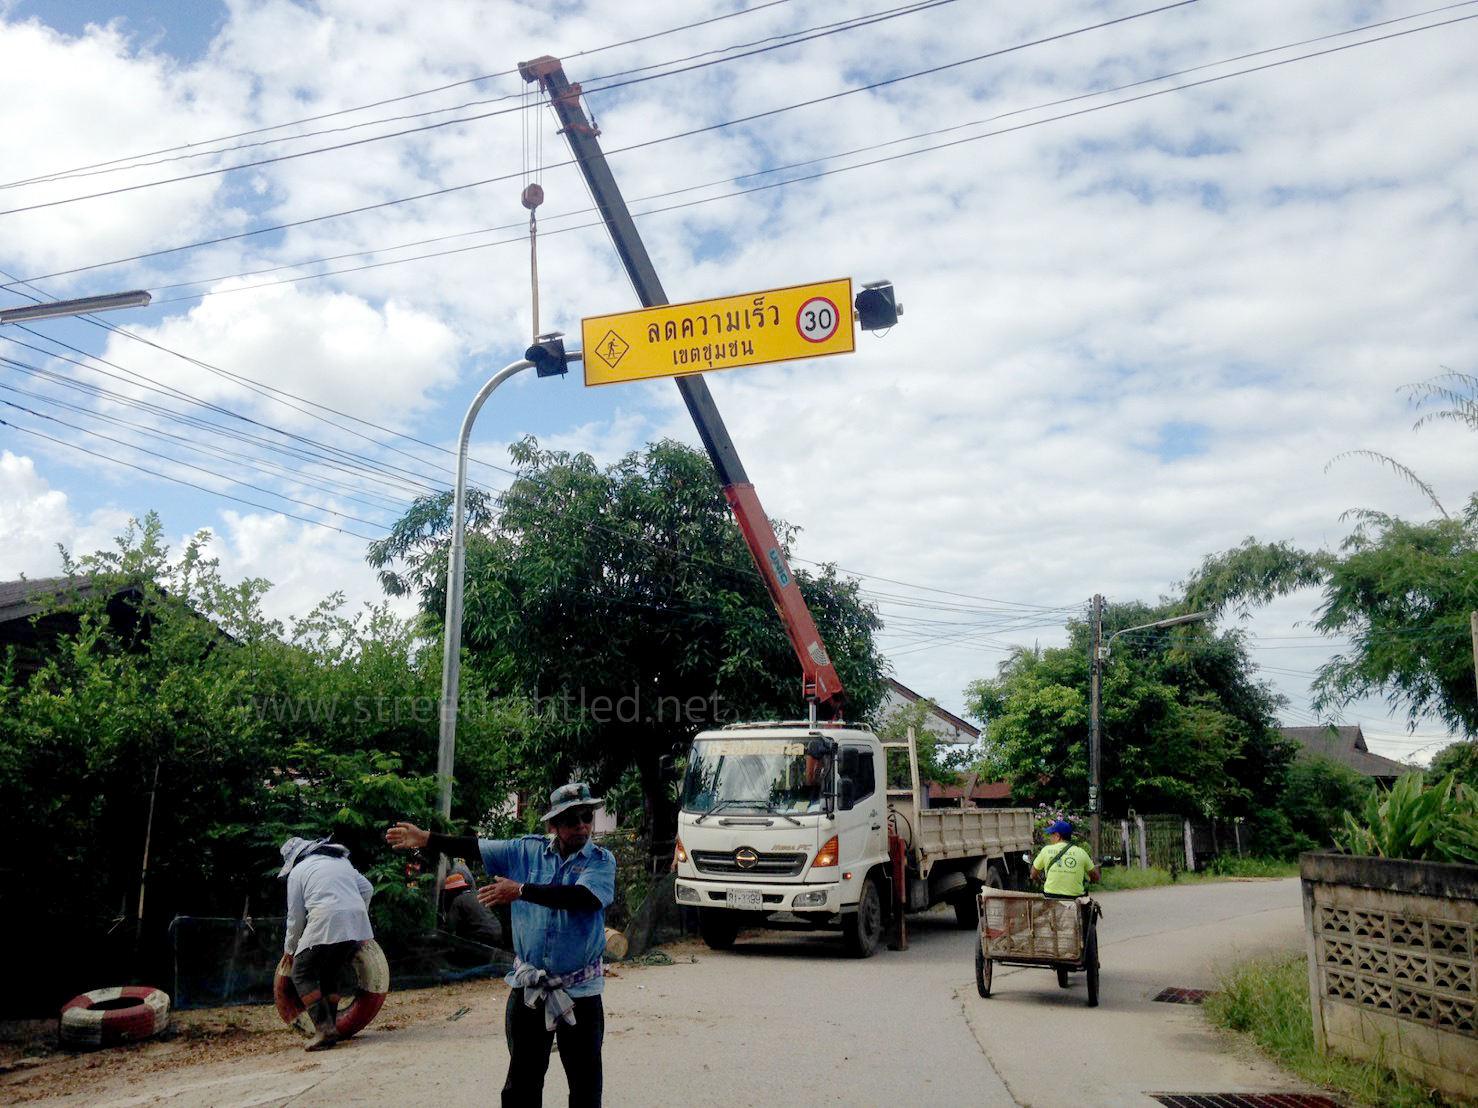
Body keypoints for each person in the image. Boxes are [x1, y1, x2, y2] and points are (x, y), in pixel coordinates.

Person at [386, 782, 616, 1108]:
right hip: (529, 990)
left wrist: (521, 890)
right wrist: (427, 839)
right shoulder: (525, 851)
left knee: (585, 1088)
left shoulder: (600, 860)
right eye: (571, 819)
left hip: (581, 992)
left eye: (587, 817)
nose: (582, 825)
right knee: (521, 1084)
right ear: (553, 825)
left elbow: (584, 897)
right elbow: (477, 847)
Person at [279, 835, 375, 1052]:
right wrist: (358, 915)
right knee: (330, 971)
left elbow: (295, 917)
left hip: (326, 919)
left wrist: (290, 949)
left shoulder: (298, 872)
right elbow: (367, 889)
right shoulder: (342, 861)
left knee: (301, 973)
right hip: (356, 923)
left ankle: (324, 1029)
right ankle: (331, 1027)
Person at [1030, 818, 1101, 898]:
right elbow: (1095, 876)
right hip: (1075, 898)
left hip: (1051, 897)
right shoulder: (1081, 852)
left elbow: (1033, 874)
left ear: (1057, 836)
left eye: (1051, 835)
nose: (1050, 838)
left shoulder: (1046, 850)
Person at [440, 871, 504, 949]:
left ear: (453, 891)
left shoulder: (458, 900)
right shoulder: (477, 895)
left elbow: (450, 927)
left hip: (481, 936)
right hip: (497, 931)